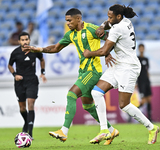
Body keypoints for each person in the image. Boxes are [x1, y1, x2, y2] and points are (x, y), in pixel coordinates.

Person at [22, 8, 119, 145]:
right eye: (66, 21)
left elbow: (110, 38)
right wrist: (39, 49)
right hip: (83, 71)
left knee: (71, 94)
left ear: (78, 19)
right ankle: (111, 130)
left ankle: (64, 131)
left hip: (92, 71)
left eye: (69, 20)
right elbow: (56, 48)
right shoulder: (71, 34)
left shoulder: (92, 29)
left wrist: (106, 52)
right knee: (87, 105)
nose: (67, 23)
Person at [83, 4, 160, 145]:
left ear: (118, 17)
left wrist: (89, 54)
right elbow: (107, 26)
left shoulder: (118, 28)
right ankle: (105, 130)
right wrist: (101, 26)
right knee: (96, 93)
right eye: (107, 16)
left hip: (129, 67)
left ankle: (152, 127)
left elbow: (104, 51)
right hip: (118, 64)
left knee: (124, 105)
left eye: (110, 17)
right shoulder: (126, 21)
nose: (108, 19)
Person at [8, 32, 47, 139]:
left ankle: (30, 133)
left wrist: (43, 72)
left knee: (30, 104)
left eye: (26, 40)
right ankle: (26, 122)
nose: (25, 42)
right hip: (20, 82)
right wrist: (15, 75)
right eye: (23, 40)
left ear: (29, 40)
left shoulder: (34, 50)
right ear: (19, 41)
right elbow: (10, 65)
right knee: (22, 108)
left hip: (32, 81)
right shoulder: (15, 53)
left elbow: (42, 59)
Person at [137, 43, 152, 121]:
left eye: (143, 48)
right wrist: (136, 83)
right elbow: (135, 71)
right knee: (143, 101)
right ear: (139, 49)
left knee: (149, 100)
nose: (142, 49)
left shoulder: (146, 59)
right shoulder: (137, 59)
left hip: (147, 81)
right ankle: (132, 115)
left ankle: (150, 118)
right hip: (140, 81)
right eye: (140, 48)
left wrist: (149, 80)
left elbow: (147, 70)